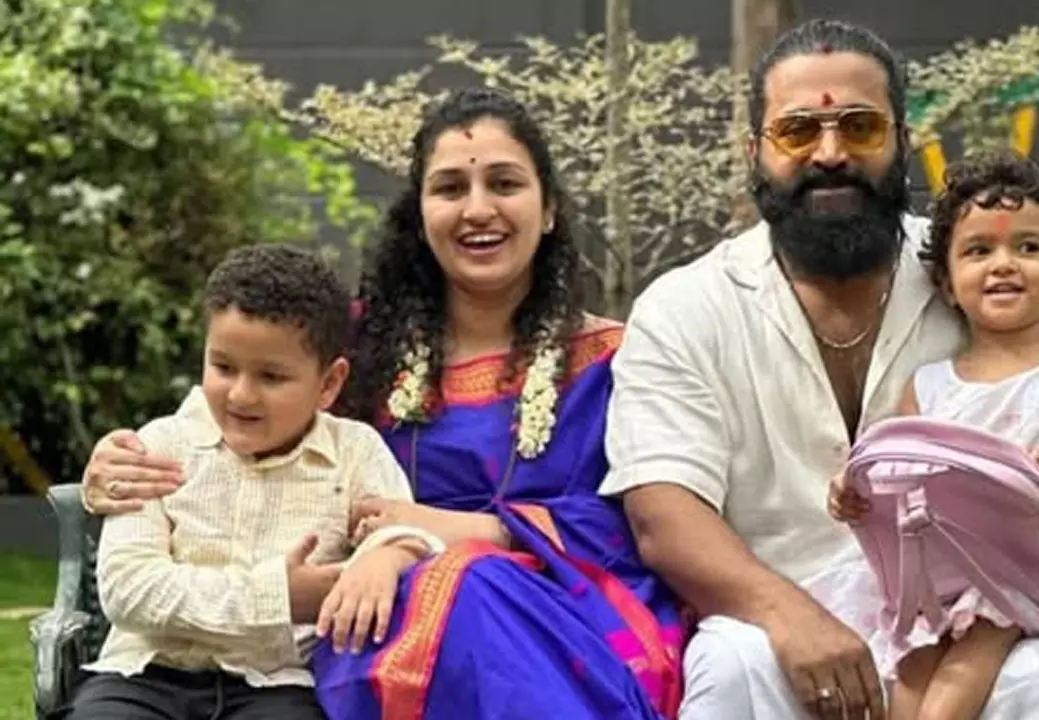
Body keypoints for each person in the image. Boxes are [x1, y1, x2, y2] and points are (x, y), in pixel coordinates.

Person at [600, 18, 1039, 720]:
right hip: (780, 626)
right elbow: (664, 516)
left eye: (860, 127)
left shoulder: (987, 271)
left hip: (979, 632)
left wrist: (1019, 484)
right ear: (754, 151)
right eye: (797, 131)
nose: (830, 153)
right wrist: (788, 617)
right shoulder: (686, 308)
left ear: (902, 141)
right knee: (731, 665)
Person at [76, 87, 684, 720]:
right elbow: (234, 418)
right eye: (450, 188)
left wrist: (485, 532)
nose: (478, 209)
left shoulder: (616, 361)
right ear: (419, 215)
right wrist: (118, 463)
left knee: (474, 581)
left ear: (549, 208)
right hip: (377, 611)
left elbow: (649, 521)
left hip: (563, 611)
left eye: (504, 184)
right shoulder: (353, 344)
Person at [827, 153, 1039, 720]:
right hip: (937, 563)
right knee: (911, 659)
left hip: (1024, 567)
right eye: (978, 251)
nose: (1004, 264)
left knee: (979, 642)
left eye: (1029, 247)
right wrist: (853, 489)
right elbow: (896, 461)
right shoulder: (928, 384)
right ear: (947, 284)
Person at [64, 244, 431, 719]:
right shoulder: (156, 448)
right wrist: (279, 596)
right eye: (223, 367)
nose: (240, 394)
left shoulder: (355, 452)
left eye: (271, 376)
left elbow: (406, 534)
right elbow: (128, 591)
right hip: (144, 675)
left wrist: (387, 554)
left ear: (328, 384)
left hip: (278, 684)